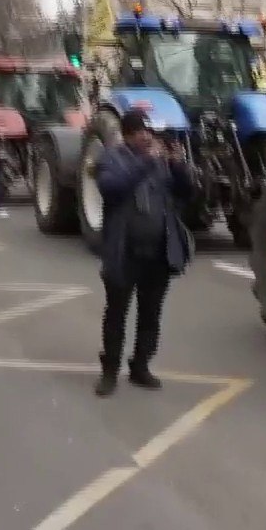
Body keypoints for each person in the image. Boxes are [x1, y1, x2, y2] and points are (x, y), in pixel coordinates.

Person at [93, 109, 194, 396]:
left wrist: (177, 166)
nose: (148, 137)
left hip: (157, 253)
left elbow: (185, 194)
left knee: (150, 314)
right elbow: (112, 189)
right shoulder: (111, 158)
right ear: (128, 133)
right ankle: (110, 371)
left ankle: (141, 366)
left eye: (150, 132)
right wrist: (146, 162)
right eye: (142, 132)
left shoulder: (159, 161)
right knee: (116, 314)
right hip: (124, 251)